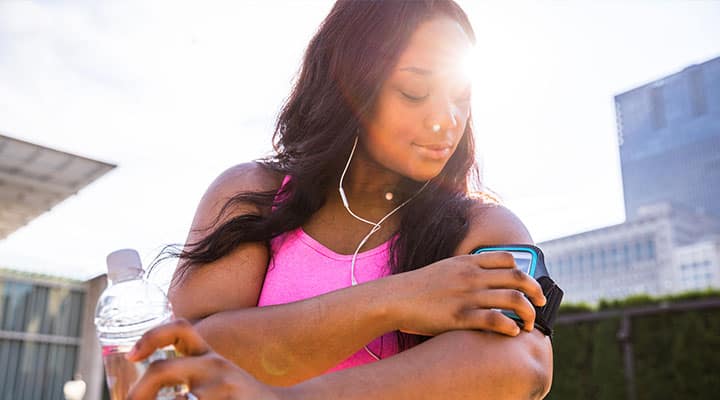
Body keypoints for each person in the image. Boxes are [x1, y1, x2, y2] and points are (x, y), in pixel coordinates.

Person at [129, 0, 554, 398]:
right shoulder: (254, 195)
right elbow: (187, 349)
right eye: (413, 92)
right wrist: (399, 299)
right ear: (350, 85)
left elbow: (524, 361)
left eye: (461, 97)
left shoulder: (481, 227)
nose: (447, 120)